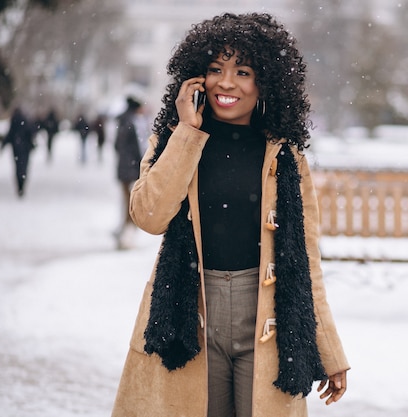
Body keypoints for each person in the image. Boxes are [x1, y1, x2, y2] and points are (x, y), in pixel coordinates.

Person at [111, 12, 349, 417]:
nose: (226, 82)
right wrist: (187, 132)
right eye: (215, 69)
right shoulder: (173, 139)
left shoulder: (286, 155)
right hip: (191, 313)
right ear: (196, 78)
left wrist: (329, 350)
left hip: (269, 319)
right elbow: (149, 216)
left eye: (243, 71)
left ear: (265, 81)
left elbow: (305, 260)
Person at [113, 96, 144, 249]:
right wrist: (139, 163)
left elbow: (117, 146)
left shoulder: (122, 120)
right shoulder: (130, 122)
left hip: (124, 167)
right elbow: (135, 148)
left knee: (127, 201)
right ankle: (126, 235)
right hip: (130, 169)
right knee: (131, 203)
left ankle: (125, 233)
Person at [0, 106, 37, 197]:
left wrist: (3, 145)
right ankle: (22, 184)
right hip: (25, 148)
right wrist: (32, 144)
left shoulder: (14, 121)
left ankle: (19, 185)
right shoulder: (26, 120)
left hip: (16, 148)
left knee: (17, 167)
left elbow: (10, 134)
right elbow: (31, 132)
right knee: (24, 166)